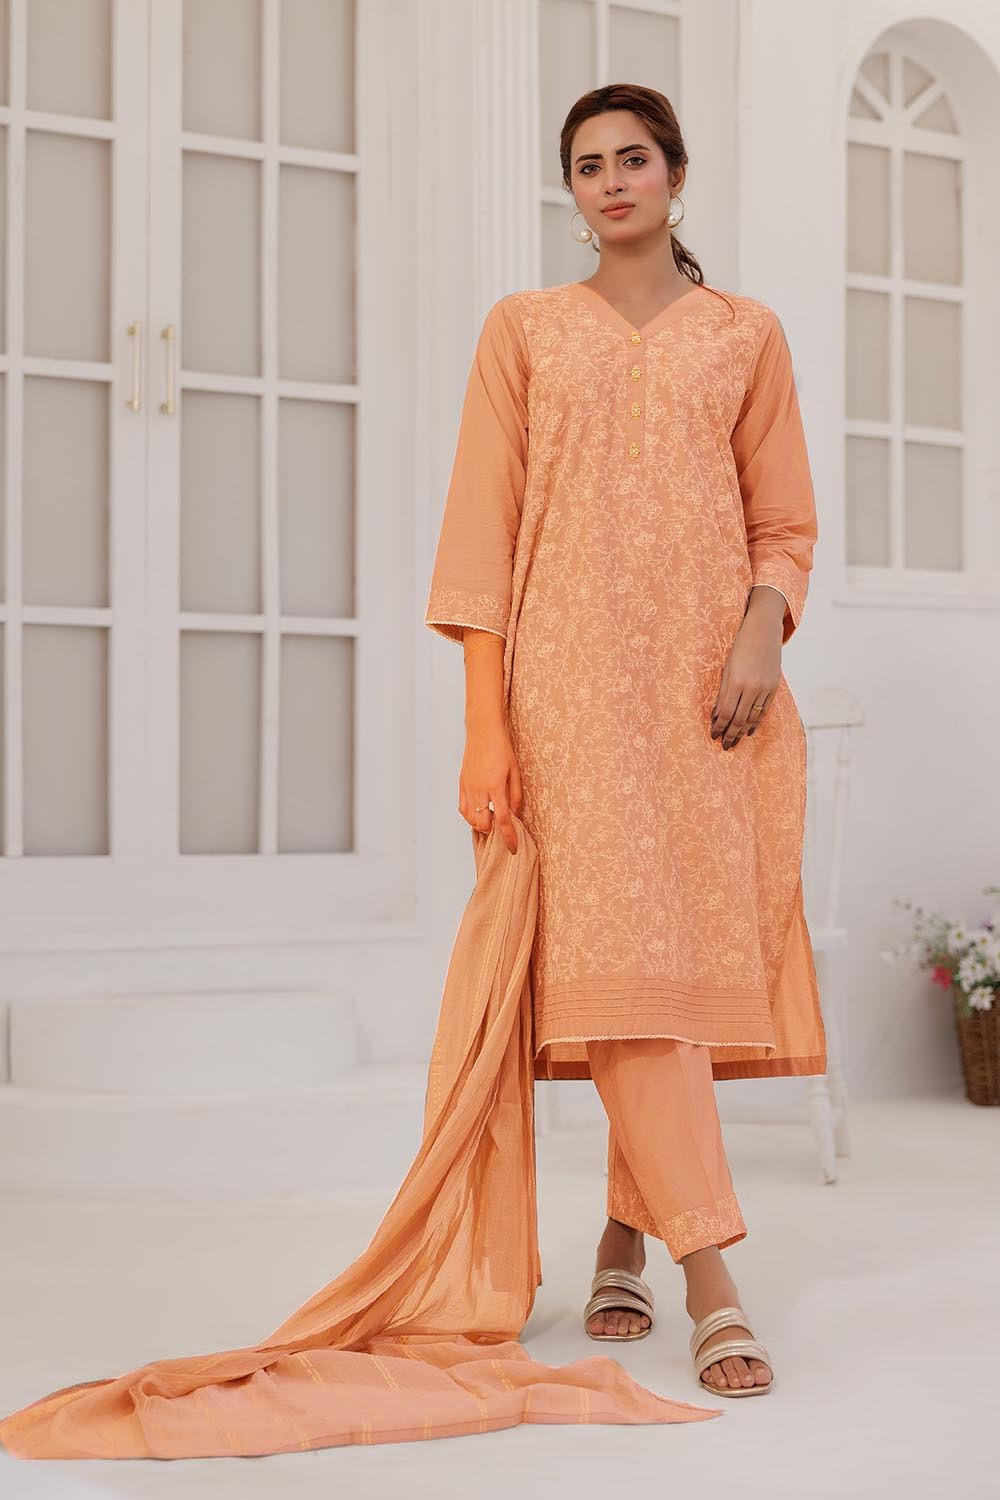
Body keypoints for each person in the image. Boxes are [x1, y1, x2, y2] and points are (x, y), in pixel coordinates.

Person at [425, 81, 825, 1398]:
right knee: (620, 961)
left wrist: (761, 633)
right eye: (587, 165)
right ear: (573, 191)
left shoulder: (745, 334)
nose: (610, 181)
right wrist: (484, 727)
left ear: (675, 174)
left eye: (632, 158)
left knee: (665, 967)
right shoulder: (526, 330)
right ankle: (710, 1272)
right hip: (568, 699)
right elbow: (480, 536)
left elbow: (783, 520)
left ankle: (618, 1235)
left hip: (707, 700)